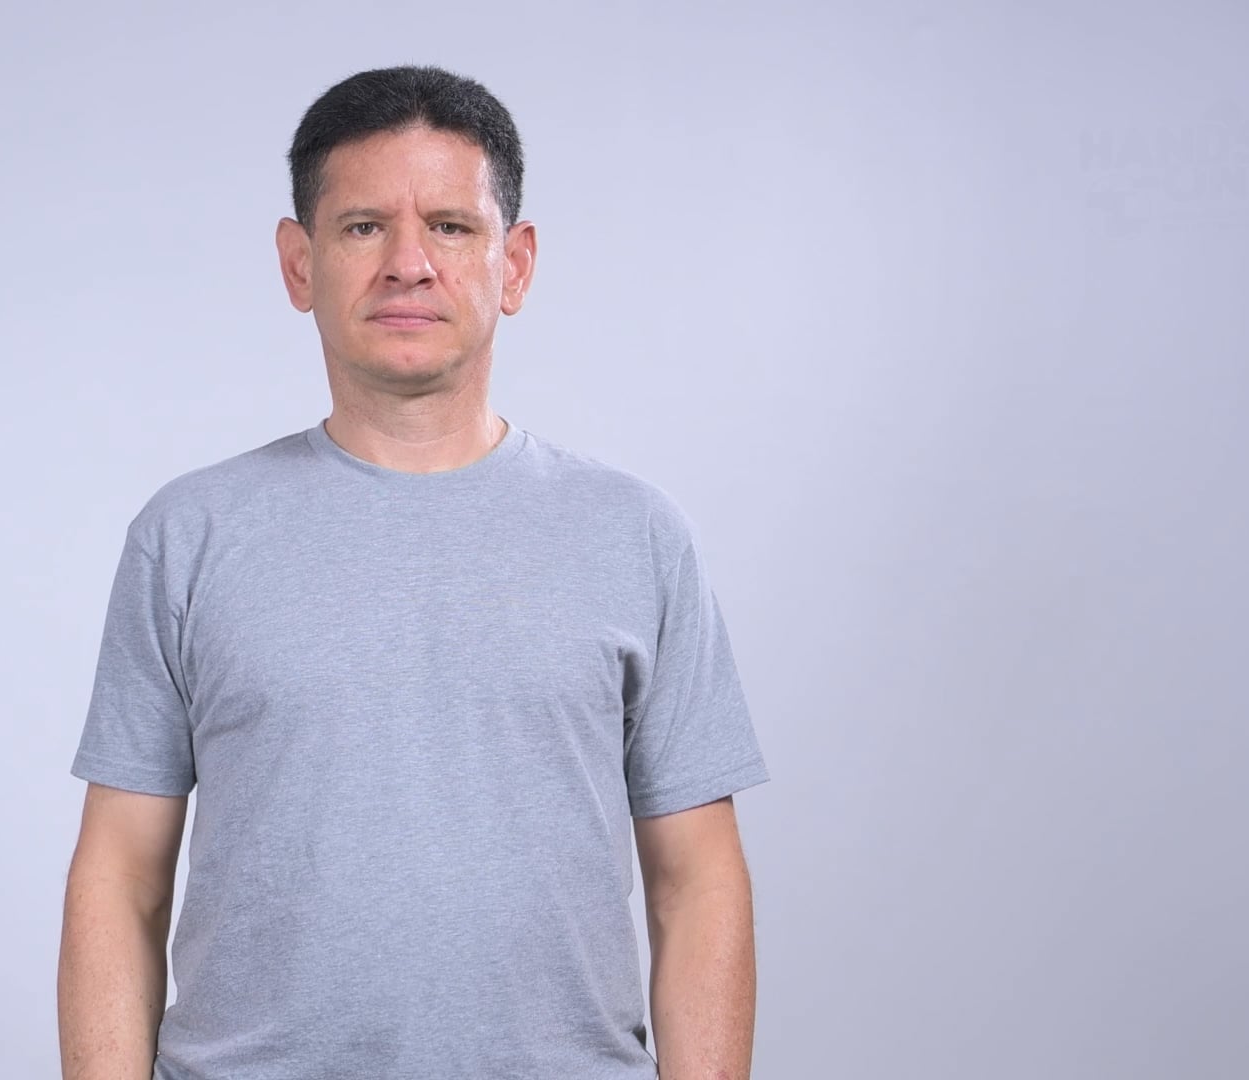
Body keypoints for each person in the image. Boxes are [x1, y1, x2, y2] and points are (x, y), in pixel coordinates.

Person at [56, 64, 771, 1080]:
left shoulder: (636, 535)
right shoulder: (189, 535)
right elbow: (119, 878)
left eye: (449, 225)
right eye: (362, 227)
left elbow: (696, 884)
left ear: (514, 264)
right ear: (298, 264)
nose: (408, 264)